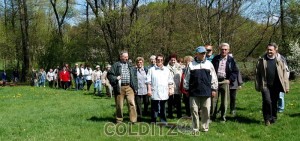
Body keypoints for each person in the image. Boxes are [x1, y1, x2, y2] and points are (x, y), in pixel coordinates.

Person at [183, 46, 218, 132]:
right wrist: (186, 89)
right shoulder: (191, 64)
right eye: (201, 53)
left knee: (206, 109)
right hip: (193, 91)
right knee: (194, 110)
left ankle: (205, 127)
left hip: (206, 91)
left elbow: (214, 77)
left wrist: (214, 89)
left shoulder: (209, 64)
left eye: (204, 53)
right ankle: (195, 128)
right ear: (197, 54)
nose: (203, 55)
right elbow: (186, 78)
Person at [255, 43, 289, 126]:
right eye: (268, 50)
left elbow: (285, 73)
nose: (269, 51)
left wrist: (286, 86)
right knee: (267, 101)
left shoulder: (280, 60)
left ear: (275, 50)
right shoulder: (262, 60)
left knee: (274, 102)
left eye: (271, 50)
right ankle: (267, 119)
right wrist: (257, 85)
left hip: (276, 85)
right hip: (265, 84)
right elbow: (257, 73)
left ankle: (273, 118)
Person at [108, 50, 138, 123]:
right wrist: (116, 78)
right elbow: (109, 75)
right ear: (121, 57)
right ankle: (119, 120)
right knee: (119, 105)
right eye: (125, 57)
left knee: (132, 103)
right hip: (119, 87)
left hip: (129, 87)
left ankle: (133, 120)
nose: (126, 58)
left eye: (127, 57)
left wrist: (135, 88)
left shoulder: (130, 65)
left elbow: (134, 77)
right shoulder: (115, 65)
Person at [211, 43, 238, 123]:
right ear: (220, 50)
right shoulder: (215, 58)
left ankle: (223, 117)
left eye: (225, 49)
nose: (224, 51)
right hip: (215, 81)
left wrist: (230, 80)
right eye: (222, 49)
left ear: (228, 50)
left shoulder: (231, 60)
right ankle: (212, 116)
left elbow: (235, 71)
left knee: (224, 101)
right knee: (213, 100)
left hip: (225, 81)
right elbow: (211, 69)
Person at [146, 54, 174, 123]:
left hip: (164, 91)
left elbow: (170, 81)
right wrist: (149, 90)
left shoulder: (167, 70)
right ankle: (153, 120)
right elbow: (148, 81)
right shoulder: (151, 70)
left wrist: (170, 89)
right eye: (158, 60)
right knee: (154, 107)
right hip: (154, 90)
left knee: (163, 107)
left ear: (163, 61)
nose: (160, 61)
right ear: (156, 60)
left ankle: (163, 120)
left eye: (161, 60)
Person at [166, 54, 183, 119]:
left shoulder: (179, 67)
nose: (173, 61)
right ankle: (170, 114)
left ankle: (179, 115)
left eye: (174, 60)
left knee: (178, 102)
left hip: (177, 86)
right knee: (170, 102)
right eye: (172, 60)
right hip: (170, 87)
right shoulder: (166, 68)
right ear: (169, 60)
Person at [135, 57, 149, 122]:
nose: (139, 63)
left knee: (146, 102)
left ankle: (146, 113)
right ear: (136, 63)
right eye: (138, 62)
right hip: (137, 90)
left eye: (140, 62)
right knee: (138, 104)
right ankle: (139, 116)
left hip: (145, 89)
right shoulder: (134, 70)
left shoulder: (146, 70)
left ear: (143, 63)